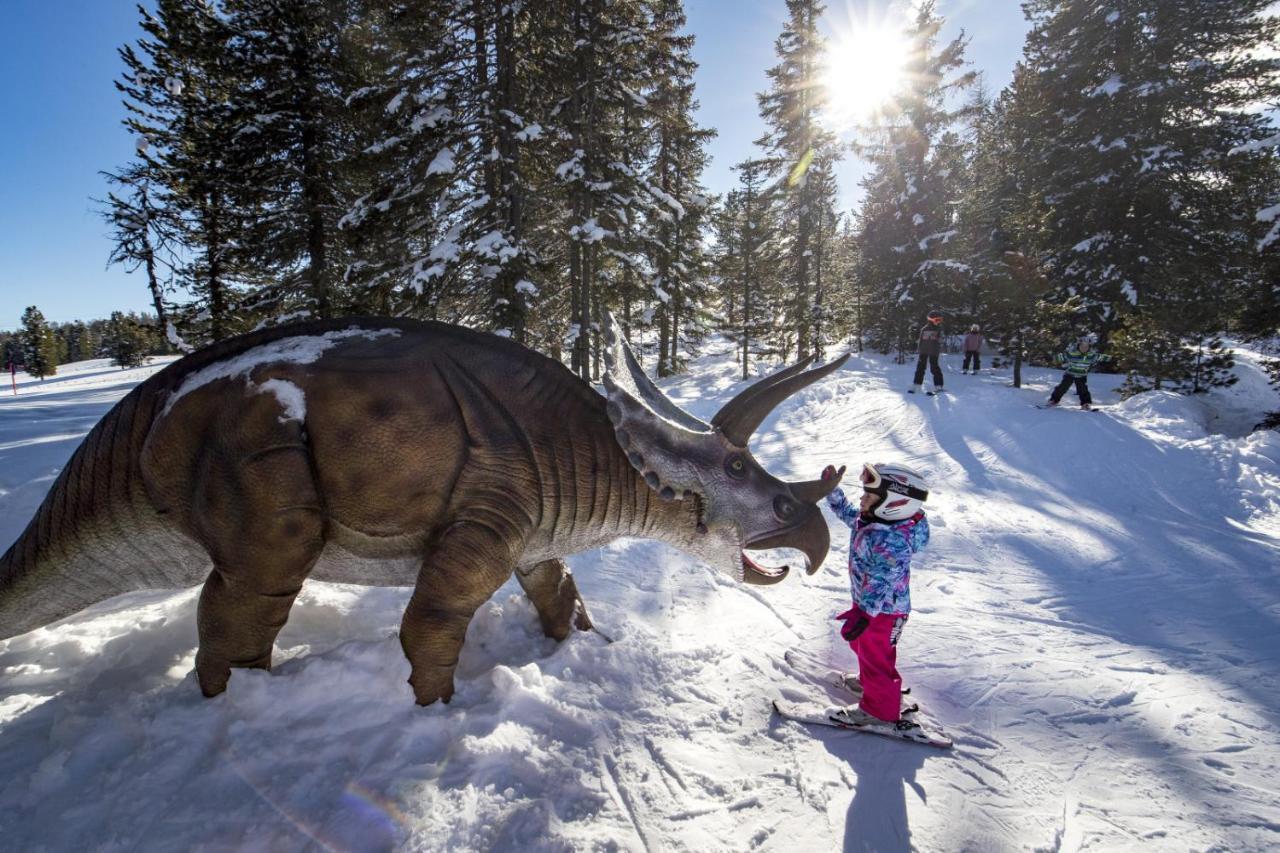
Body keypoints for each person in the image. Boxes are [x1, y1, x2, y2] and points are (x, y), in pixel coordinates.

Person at [820, 461, 931, 731]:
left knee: (875, 656)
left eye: (868, 495)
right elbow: (849, 514)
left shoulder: (893, 539)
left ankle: (879, 711)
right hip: (872, 608)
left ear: (894, 504)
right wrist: (832, 491)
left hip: (883, 612)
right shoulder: (874, 522)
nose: (861, 498)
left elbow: (883, 580)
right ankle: (872, 684)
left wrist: (865, 613)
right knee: (865, 648)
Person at [1047, 334, 1112, 410]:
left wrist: (1110, 358)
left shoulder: (1091, 356)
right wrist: (1054, 358)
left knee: (1083, 389)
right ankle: (1054, 400)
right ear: (1078, 346)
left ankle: (1085, 403)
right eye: (1082, 346)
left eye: (1086, 347)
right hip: (1070, 374)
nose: (1084, 348)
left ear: (1089, 347)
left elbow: (1100, 357)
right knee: (1062, 387)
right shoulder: (1072, 354)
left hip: (1081, 375)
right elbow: (1063, 356)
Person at [909, 310, 945, 394]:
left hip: (933, 351)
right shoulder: (924, 329)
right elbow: (920, 340)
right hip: (924, 351)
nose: (938, 322)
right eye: (937, 320)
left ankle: (938, 385)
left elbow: (941, 340)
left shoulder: (939, 329)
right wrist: (919, 350)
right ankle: (917, 383)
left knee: (934, 368)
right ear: (931, 320)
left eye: (940, 320)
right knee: (920, 368)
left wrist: (939, 339)